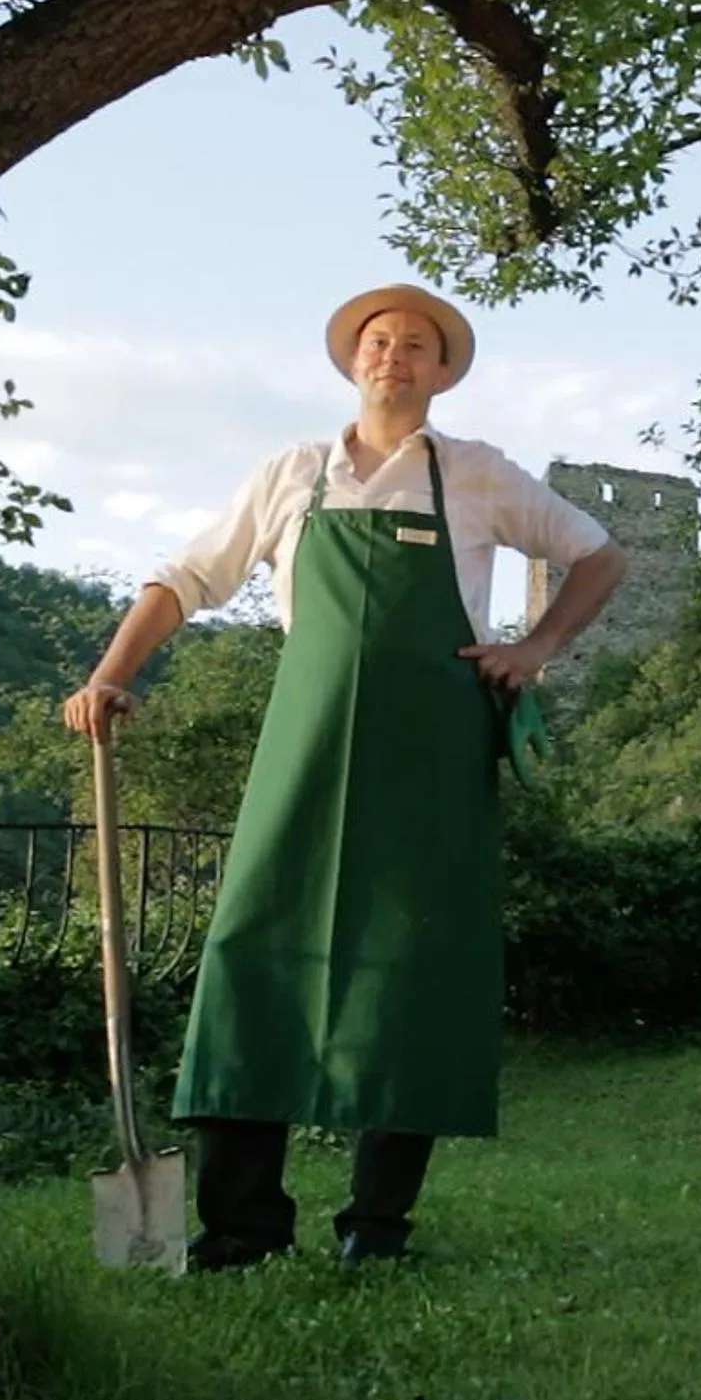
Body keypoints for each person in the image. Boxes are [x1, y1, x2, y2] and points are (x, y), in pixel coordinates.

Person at [62, 283, 627, 1269]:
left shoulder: (476, 473)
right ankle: (243, 1226)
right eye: (377, 341)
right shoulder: (291, 474)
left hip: (433, 757)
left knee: (415, 964)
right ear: (352, 362)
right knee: (253, 950)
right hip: (306, 747)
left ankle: (377, 1225)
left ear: (441, 372)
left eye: (415, 345)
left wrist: (535, 648)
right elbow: (187, 577)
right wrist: (111, 673)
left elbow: (598, 555)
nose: (392, 356)